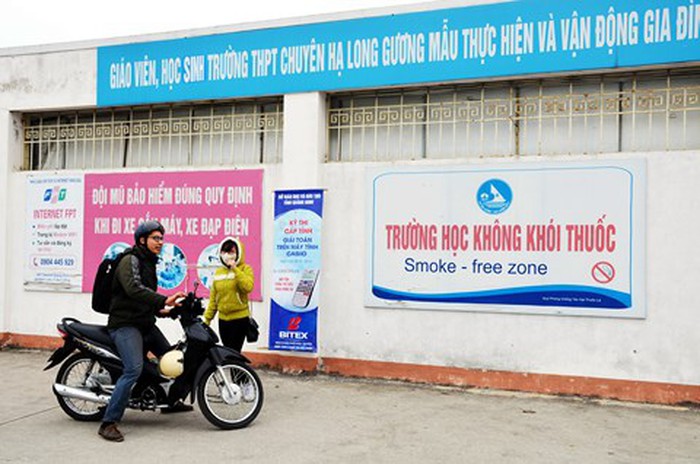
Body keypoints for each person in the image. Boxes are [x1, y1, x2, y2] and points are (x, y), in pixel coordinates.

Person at [98, 220, 190, 443]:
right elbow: (134, 290)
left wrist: (167, 311)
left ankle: (169, 400)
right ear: (142, 240)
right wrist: (164, 299)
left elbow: (145, 300)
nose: (160, 242)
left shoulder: (149, 262)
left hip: (145, 323)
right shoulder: (129, 260)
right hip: (125, 324)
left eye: (161, 238)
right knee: (133, 369)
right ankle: (108, 422)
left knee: (172, 359)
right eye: (155, 238)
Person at [203, 237, 254, 352]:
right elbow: (214, 299)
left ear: (238, 253)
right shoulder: (218, 272)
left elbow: (247, 287)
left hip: (239, 319)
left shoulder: (245, 269)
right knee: (226, 351)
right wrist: (207, 319)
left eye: (231, 252)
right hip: (223, 320)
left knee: (234, 352)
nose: (227, 255)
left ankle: (236, 365)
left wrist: (235, 269)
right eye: (224, 252)